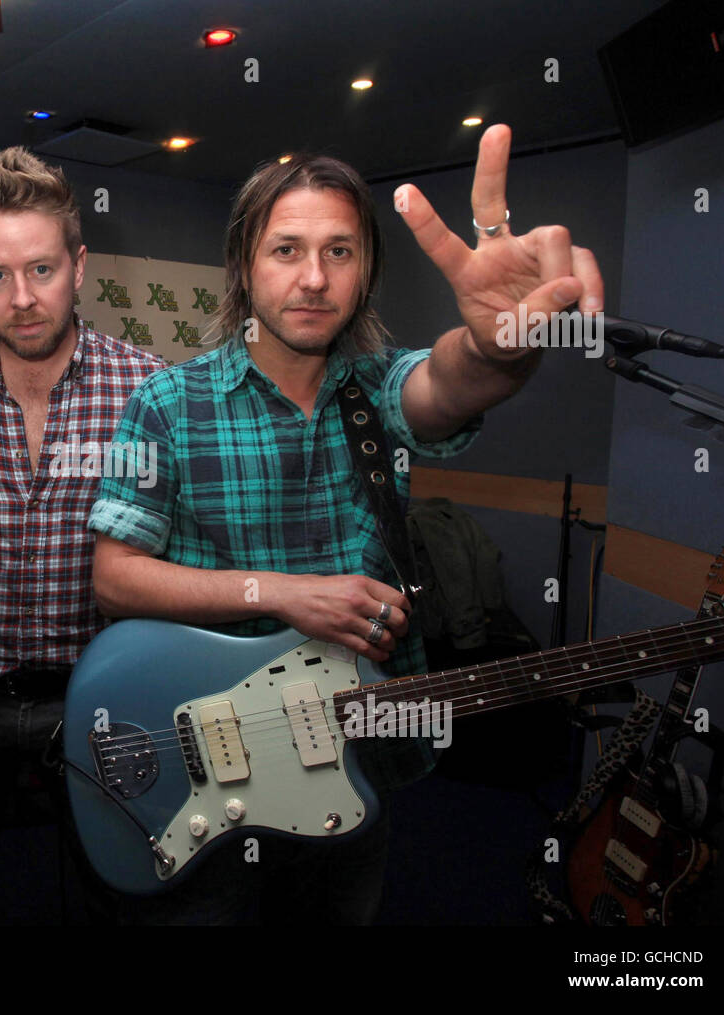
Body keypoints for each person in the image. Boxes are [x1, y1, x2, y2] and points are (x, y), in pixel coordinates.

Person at [87, 125, 603, 924]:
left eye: (340, 251)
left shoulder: (376, 387)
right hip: (212, 760)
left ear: (365, 272)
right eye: (286, 249)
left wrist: (503, 348)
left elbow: (452, 384)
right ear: (244, 265)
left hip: (347, 761)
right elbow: (115, 577)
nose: (314, 278)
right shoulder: (164, 404)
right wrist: (287, 594)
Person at [0, 147, 165, 922]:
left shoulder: (148, 387)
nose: (22, 298)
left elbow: (178, 553)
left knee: (114, 892)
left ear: (80, 264)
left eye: (43, 270)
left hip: (103, 701)